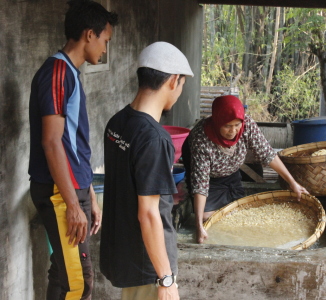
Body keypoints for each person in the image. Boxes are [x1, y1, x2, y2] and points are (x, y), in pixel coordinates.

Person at [28, 1, 118, 299]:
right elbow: (52, 142)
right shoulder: (57, 72)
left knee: (63, 272)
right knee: (80, 282)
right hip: (58, 192)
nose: (105, 49)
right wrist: (72, 204)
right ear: (89, 35)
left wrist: (88, 194)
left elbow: (72, 144)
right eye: (105, 40)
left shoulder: (70, 74)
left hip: (71, 188)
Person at [100, 41, 194, 300]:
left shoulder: (117, 122)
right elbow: (149, 215)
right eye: (182, 85)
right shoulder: (154, 138)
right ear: (173, 81)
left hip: (125, 256)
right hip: (149, 265)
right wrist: (166, 278)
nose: (179, 92)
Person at [182, 95, 310, 244]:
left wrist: (292, 182)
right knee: (205, 217)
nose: (233, 131)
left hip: (231, 167)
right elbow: (201, 184)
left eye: (237, 125)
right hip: (208, 174)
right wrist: (198, 224)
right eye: (227, 126)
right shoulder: (201, 140)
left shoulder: (247, 125)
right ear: (217, 122)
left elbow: (268, 155)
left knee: (238, 206)